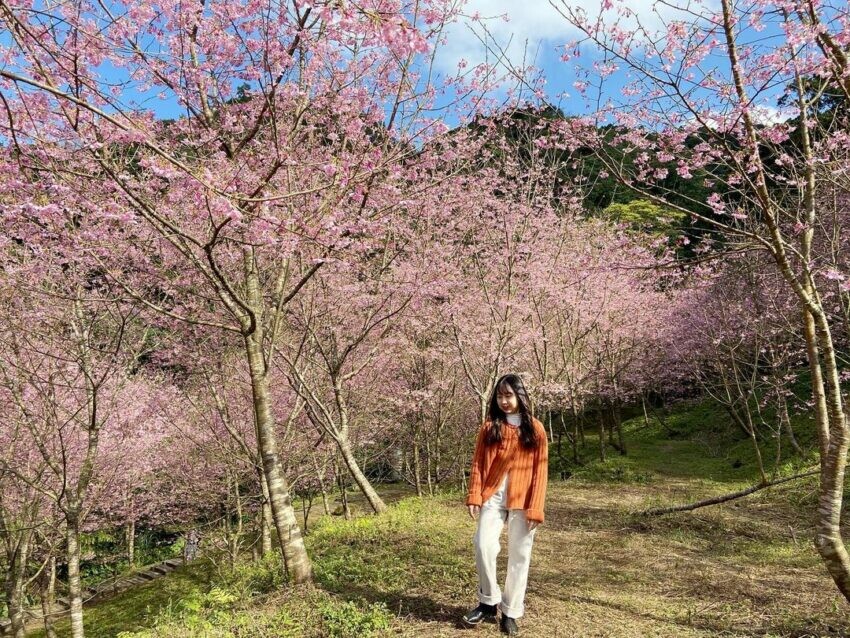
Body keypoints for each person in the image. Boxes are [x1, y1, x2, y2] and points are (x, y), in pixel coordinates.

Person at [462, 373, 548, 637]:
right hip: (493, 496)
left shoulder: (536, 429)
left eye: (509, 395)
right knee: (483, 545)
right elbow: (478, 463)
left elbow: (541, 472)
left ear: (520, 395)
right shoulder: (490, 427)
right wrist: (474, 495)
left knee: (519, 556)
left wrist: (536, 507)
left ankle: (511, 612)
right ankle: (488, 602)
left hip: (523, 499)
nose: (504, 401)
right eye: (500, 396)